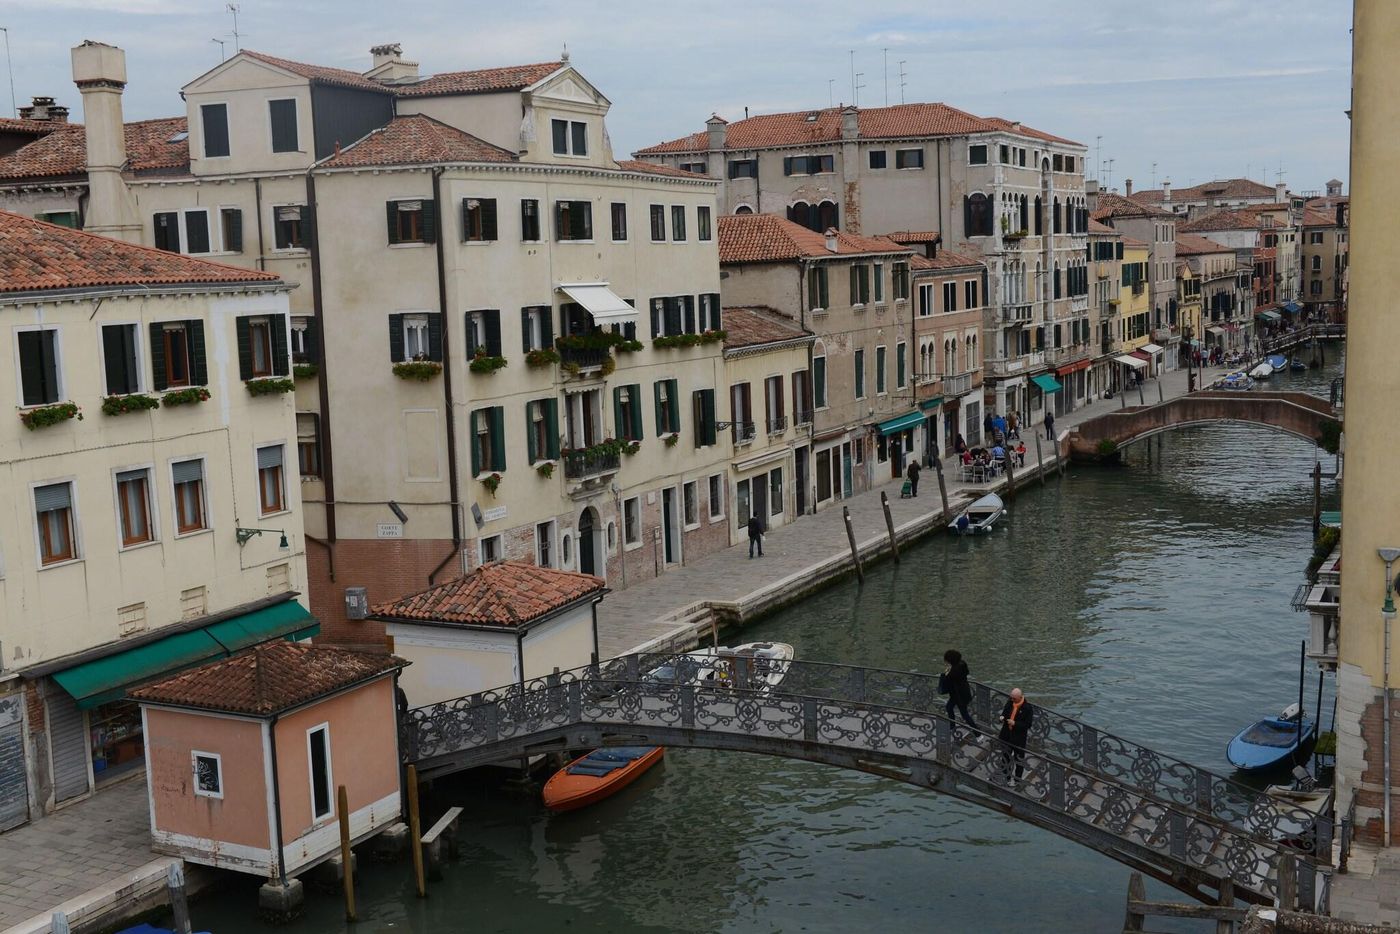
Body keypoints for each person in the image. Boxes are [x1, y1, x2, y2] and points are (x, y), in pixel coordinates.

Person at [998, 688, 1034, 780]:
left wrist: (1015, 723)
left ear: (1020, 697)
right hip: (1006, 735)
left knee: (1019, 760)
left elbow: (1028, 724)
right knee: (1005, 757)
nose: (1012, 700)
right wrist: (1002, 717)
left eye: (1014, 698)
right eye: (1011, 698)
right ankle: (1006, 777)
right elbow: (1005, 711)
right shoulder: (1010, 702)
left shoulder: (1027, 708)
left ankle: (1017, 779)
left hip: (1019, 738)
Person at [942, 650, 977, 730]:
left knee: (965, 715)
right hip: (961, 693)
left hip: (959, 695)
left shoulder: (954, 670)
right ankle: (952, 726)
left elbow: (947, 679)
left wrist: (947, 672)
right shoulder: (962, 664)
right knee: (949, 707)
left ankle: (977, 734)